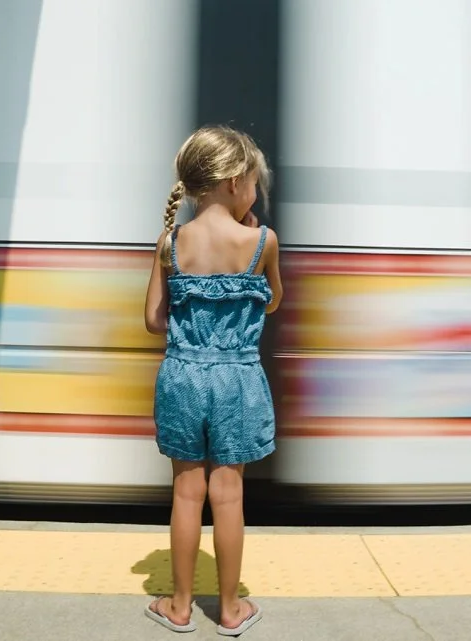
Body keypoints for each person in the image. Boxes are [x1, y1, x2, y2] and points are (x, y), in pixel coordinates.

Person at [143, 125, 282, 636]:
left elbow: (155, 321)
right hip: (238, 380)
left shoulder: (170, 241)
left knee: (186, 493)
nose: (256, 194)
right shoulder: (262, 240)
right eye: (254, 184)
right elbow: (271, 300)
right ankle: (229, 609)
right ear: (234, 181)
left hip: (181, 375)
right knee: (228, 495)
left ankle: (179, 606)